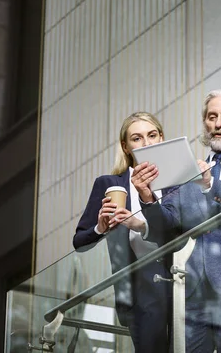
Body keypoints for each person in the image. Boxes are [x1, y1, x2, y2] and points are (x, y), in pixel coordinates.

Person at [114, 89, 221, 353]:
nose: (218, 124)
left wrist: (212, 184)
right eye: (212, 117)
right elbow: (165, 226)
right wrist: (147, 197)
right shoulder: (185, 171)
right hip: (190, 292)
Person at [73, 112, 174, 353]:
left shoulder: (176, 179)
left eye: (152, 135)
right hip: (139, 289)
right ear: (125, 146)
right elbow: (80, 242)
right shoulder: (108, 184)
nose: (146, 143)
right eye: (137, 138)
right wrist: (101, 227)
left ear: (162, 138)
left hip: (180, 281)